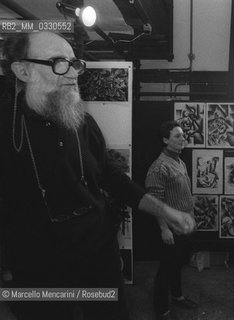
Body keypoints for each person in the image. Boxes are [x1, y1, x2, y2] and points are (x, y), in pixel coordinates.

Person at [0, 31, 195, 320]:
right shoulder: (5, 127)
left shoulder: (81, 121)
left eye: (73, 63)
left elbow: (110, 176)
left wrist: (164, 211)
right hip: (38, 264)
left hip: (96, 252)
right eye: (58, 62)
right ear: (23, 70)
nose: (72, 73)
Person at [145, 121, 198, 320]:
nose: (182, 138)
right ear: (165, 140)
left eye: (183, 135)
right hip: (171, 228)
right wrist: (163, 229)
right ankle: (161, 310)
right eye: (177, 136)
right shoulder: (159, 168)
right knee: (166, 269)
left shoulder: (179, 161)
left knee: (177, 265)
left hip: (185, 225)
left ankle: (177, 296)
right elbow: (154, 202)